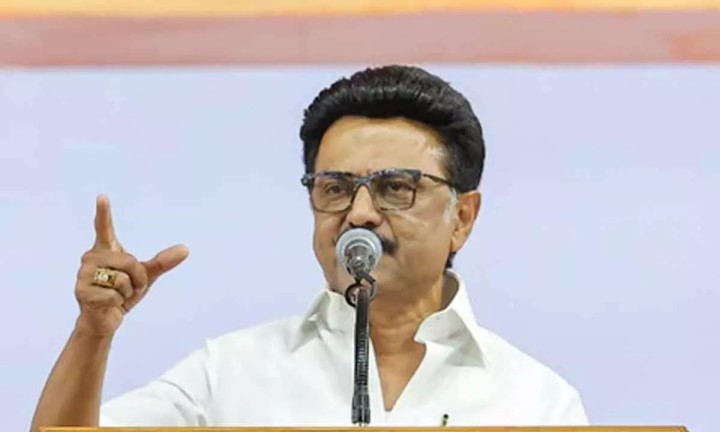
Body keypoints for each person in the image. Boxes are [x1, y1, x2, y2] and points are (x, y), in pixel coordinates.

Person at [30, 65, 588, 430]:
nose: (360, 213)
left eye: (396, 188)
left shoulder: (535, 400)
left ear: (462, 218)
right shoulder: (231, 373)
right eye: (335, 188)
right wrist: (92, 334)